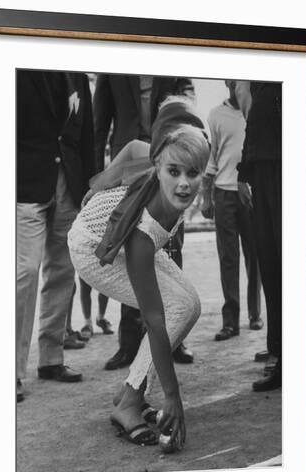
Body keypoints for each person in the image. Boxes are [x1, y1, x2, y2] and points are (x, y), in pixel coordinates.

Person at [68, 97, 210, 448]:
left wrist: (100, 183)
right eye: (174, 172)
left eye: (193, 174)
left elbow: (132, 146)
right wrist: (173, 395)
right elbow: (154, 320)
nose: (183, 184)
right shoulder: (144, 232)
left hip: (120, 237)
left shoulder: (165, 153)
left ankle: (129, 390)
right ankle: (130, 402)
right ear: (159, 165)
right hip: (91, 249)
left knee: (190, 304)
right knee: (174, 310)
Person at [93, 73, 196, 370]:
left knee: (171, 246)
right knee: (130, 246)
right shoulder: (112, 66)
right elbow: (101, 123)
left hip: (170, 157)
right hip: (130, 160)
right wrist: (100, 176)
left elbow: (187, 102)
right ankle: (129, 343)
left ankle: (174, 338)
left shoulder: (175, 58)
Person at [16, 69, 95, 402]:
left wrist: (90, 188)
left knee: (63, 271)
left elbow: (87, 135)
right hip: (25, 185)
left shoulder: (78, 74)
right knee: (26, 271)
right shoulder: (16, 68)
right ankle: (9, 370)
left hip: (69, 186)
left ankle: (51, 358)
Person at [201, 80, 263, 341]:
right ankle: (230, 322)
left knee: (255, 256)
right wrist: (206, 197)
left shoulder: (257, 111)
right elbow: (212, 156)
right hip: (223, 192)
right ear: (227, 82)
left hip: (250, 192)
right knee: (228, 258)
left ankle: (255, 314)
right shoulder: (216, 115)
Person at [236, 80, 282, 391]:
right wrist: (243, 173)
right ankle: (280, 354)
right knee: (270, 264)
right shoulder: (260, 81)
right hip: (262, 172)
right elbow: (253, 123)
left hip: (293, 166)